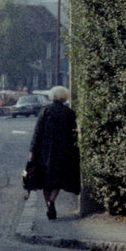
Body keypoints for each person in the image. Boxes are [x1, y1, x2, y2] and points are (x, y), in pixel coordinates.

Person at [28, 85, 80, 219]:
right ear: (64, 97)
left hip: (44, 151)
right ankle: (52, 200)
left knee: (45, 181)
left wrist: (32, 152)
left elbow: (37, 133)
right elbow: (73, 134)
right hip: (62, 151)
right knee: (58, 180)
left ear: (52, 97)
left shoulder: (45, 111)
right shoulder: (69, 113)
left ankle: (49, 205)